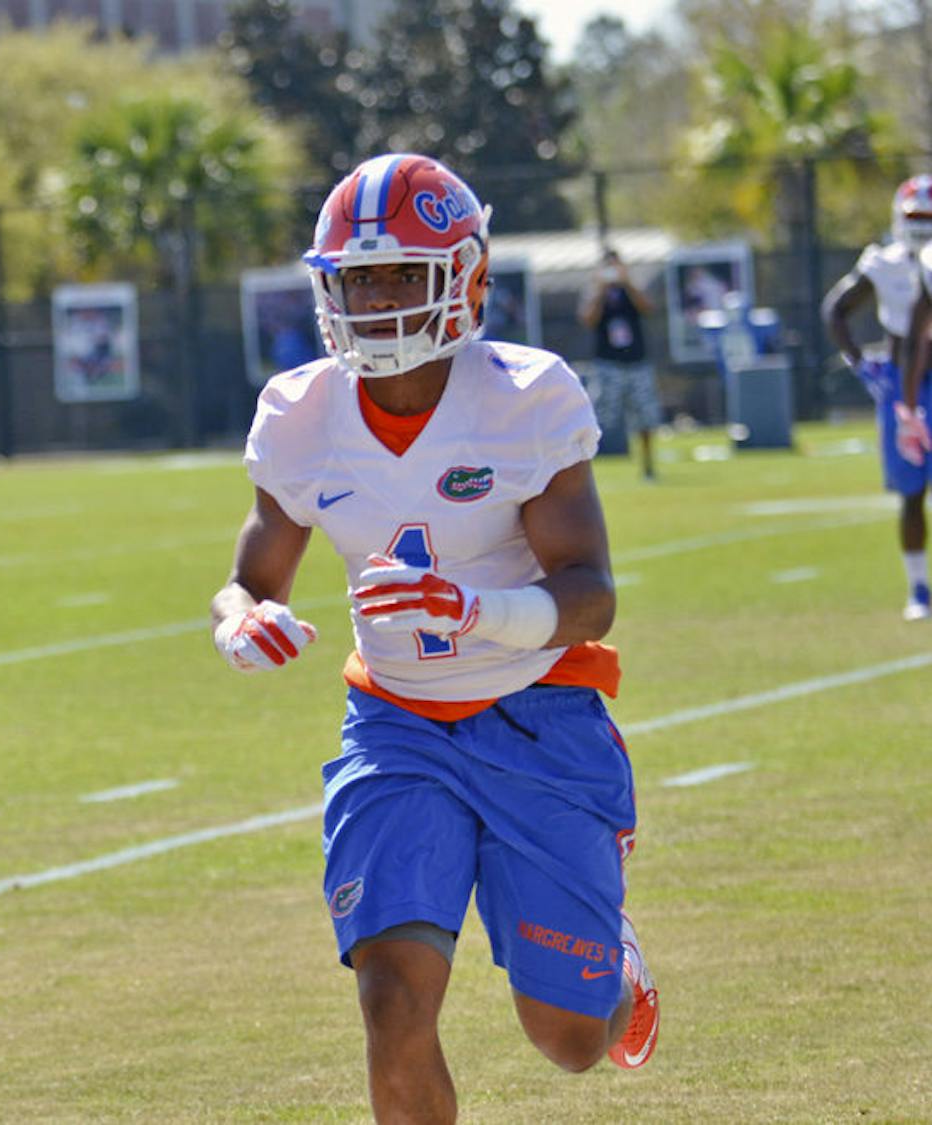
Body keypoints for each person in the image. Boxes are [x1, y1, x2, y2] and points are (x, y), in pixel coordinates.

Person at [209, 153, 658, 1123]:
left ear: (465, 276)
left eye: (399, 273)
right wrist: (241, 621)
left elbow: (589, 595)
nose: (374, 297)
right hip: (396, 724)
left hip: (536, 714)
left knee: (568, 1038)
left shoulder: (524, 397)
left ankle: (614, 972)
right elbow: (251, 577)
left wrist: (474, 609)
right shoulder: (300, 414)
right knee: (392, 999)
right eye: (356, 276)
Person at [822, 174, 932, 622]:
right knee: (911, 490)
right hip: (903, 384)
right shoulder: (883, 263)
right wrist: (859, 363)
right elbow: (836, 308)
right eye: (915, 217)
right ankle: (919, 587)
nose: (922, 225)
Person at [579, 249, 661, 480]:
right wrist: (600, 289)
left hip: (636, 361)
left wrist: (627, 283)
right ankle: (586, 468)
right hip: (608, 364)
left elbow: (648, 308)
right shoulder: (595, 293)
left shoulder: (631, 289)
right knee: (597, 417)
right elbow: (587, 319)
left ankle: (648, 466)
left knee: (645, 416)